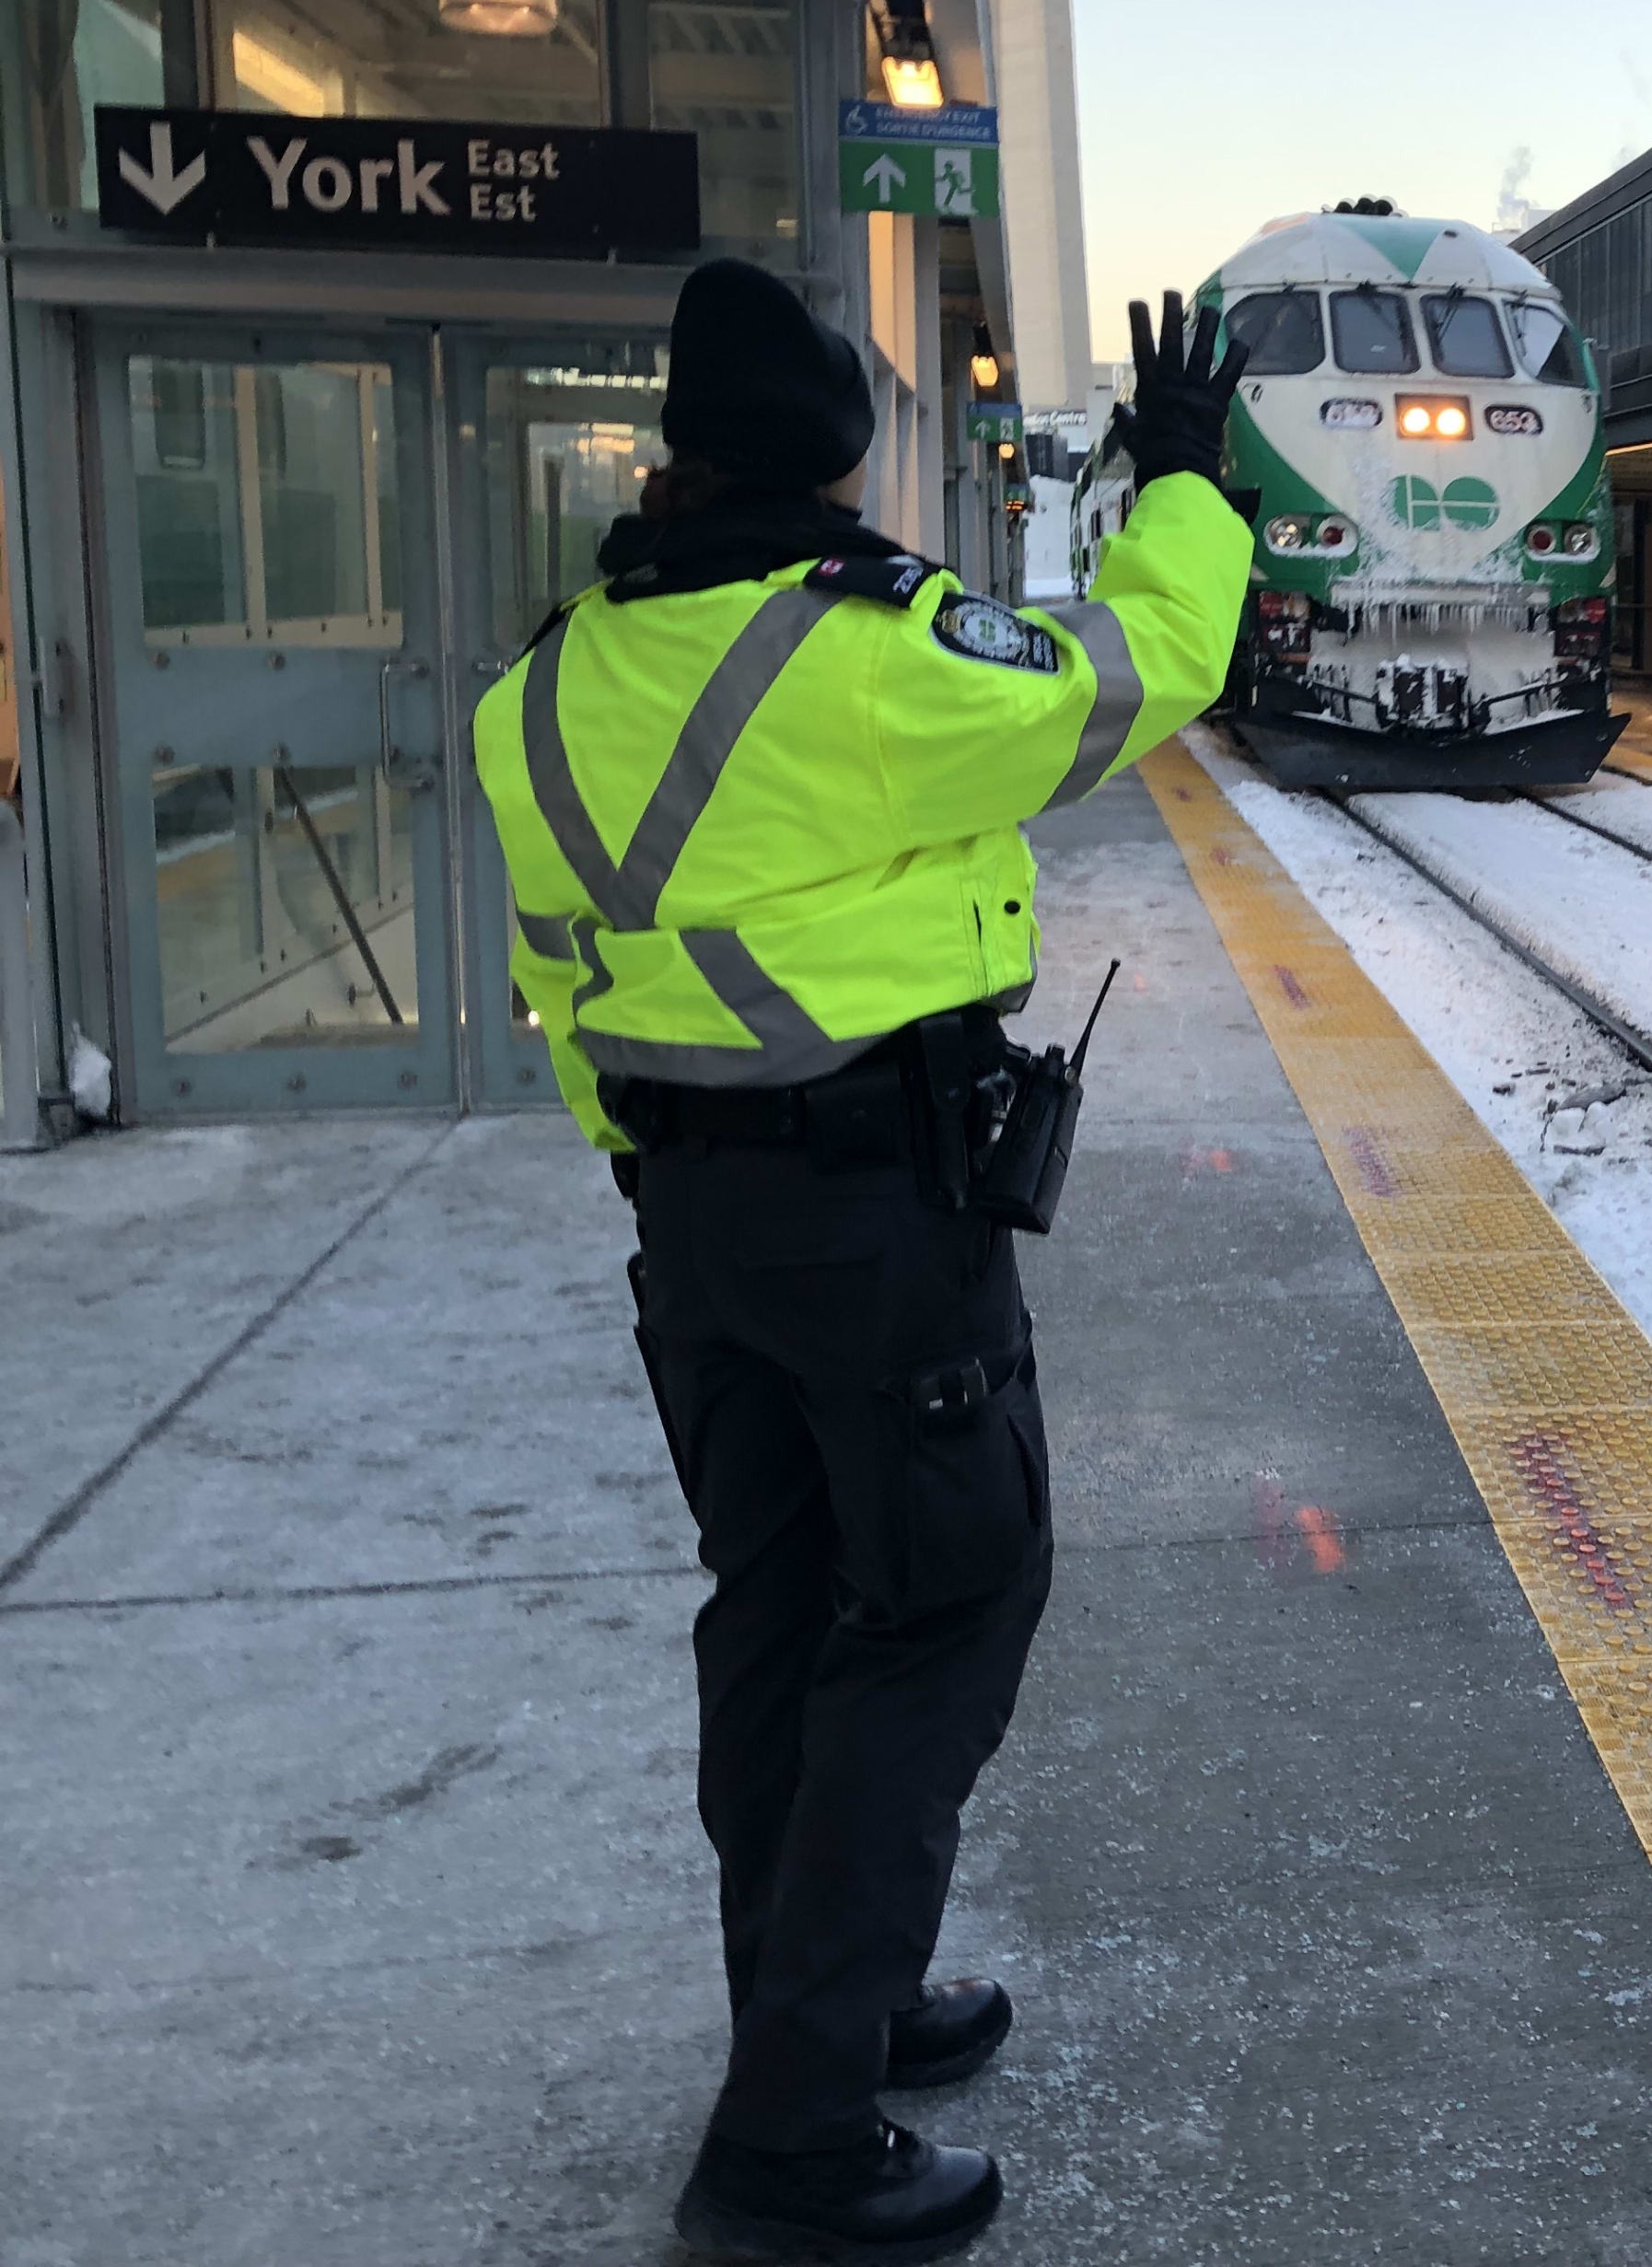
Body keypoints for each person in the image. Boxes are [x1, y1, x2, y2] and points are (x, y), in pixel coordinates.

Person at [471, 259, 1252, 2260]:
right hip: (874, 1228)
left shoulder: (541, 685)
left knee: (786, 1608)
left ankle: (822, 2007)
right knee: (943, 1617)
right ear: (838, 455)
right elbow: (1131, 674)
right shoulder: (864, 649)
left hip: (691, 1226)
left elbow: (563, 983)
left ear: (671, 451)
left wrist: (661, 1170)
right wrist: (1183, 483)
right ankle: (795, 2142)